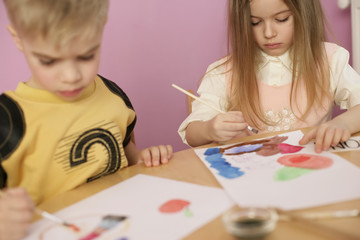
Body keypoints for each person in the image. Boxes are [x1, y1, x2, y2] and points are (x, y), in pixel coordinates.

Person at [0, 0, 172, 239]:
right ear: (18, 38)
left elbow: (125, 149)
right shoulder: (7, 120)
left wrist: (143, 159)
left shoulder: (112, 95)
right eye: (49, 61)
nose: (71, 76)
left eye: (86, 56)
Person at [178, 0, 360, 152]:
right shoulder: (224, 72)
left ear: (304, 14)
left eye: (282, 19)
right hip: (253, 177)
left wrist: (343, 123)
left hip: (311, 174)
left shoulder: (329, 60)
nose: (269, 33)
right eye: (255, 22)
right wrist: (210, 130)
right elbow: (192, 133)